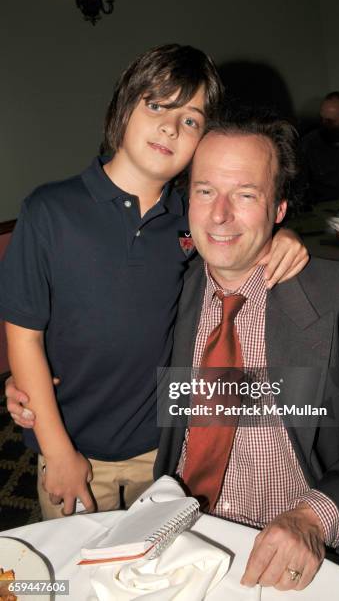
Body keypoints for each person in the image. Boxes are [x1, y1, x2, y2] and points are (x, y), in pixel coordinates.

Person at [0, 44, 308, 521]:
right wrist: (58, 451)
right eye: (157, 104)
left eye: (191, 120)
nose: (170, 126)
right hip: (73, 446)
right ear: (123, 107)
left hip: (166, 450)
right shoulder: (50, 210)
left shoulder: (194, 217)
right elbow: (24, 337)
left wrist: (283, 233)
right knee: (69, 583)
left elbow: (242, 233)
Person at [153, 109, 339, 591]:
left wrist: (314, 518)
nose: (219, 214)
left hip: (297, 551)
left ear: (279, 209)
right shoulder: (170, 290)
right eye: (206, 191)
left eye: (245, 194)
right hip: (181, 536)